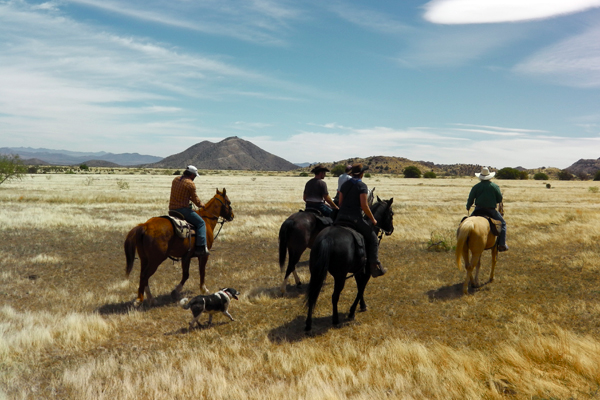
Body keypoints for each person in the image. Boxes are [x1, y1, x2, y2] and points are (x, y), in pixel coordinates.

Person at [336, 164, 386, 277]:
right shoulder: (362, 186)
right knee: (373, 238)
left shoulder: (344, 184)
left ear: (352, 173)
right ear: (362, 174)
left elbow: (340, 203)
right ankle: (374, 265)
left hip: (340, 217)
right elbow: (364, 206)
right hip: (354, 218)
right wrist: (373, 219)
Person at [169, 165, 209, 257]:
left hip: (172, 209)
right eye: (194, 175)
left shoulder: (176, 179)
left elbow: (181, 193)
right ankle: (200, 248)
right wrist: (201, 204)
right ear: (191, 174)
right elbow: (195, 199)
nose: (195, 177)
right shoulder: (190, 183)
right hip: (182, 210)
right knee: (201, 223)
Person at [466, 166, 508, 252]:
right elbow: (499, 199)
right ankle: (501, 244)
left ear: (480, 177)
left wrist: (468, 206)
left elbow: (470, 199)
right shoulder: (495, 186)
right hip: (491, 211)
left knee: (465, 223)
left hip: (478, 210)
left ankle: (463, 241)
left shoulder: (476, 187)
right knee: (503, 224)